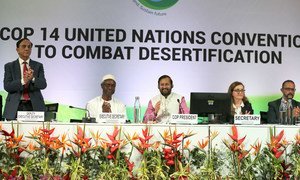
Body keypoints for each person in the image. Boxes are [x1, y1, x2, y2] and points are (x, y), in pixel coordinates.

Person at [3, 38, 47, 120]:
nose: (27, 48)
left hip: (34, 106)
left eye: (29, 47)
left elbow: (43, 84)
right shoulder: (9, 66)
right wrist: (23, 81)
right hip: (15, 107)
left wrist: (33, 78)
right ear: (17, 49)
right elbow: (7, 86)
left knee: (35, 132)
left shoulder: (38, 65)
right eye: (23, 46)